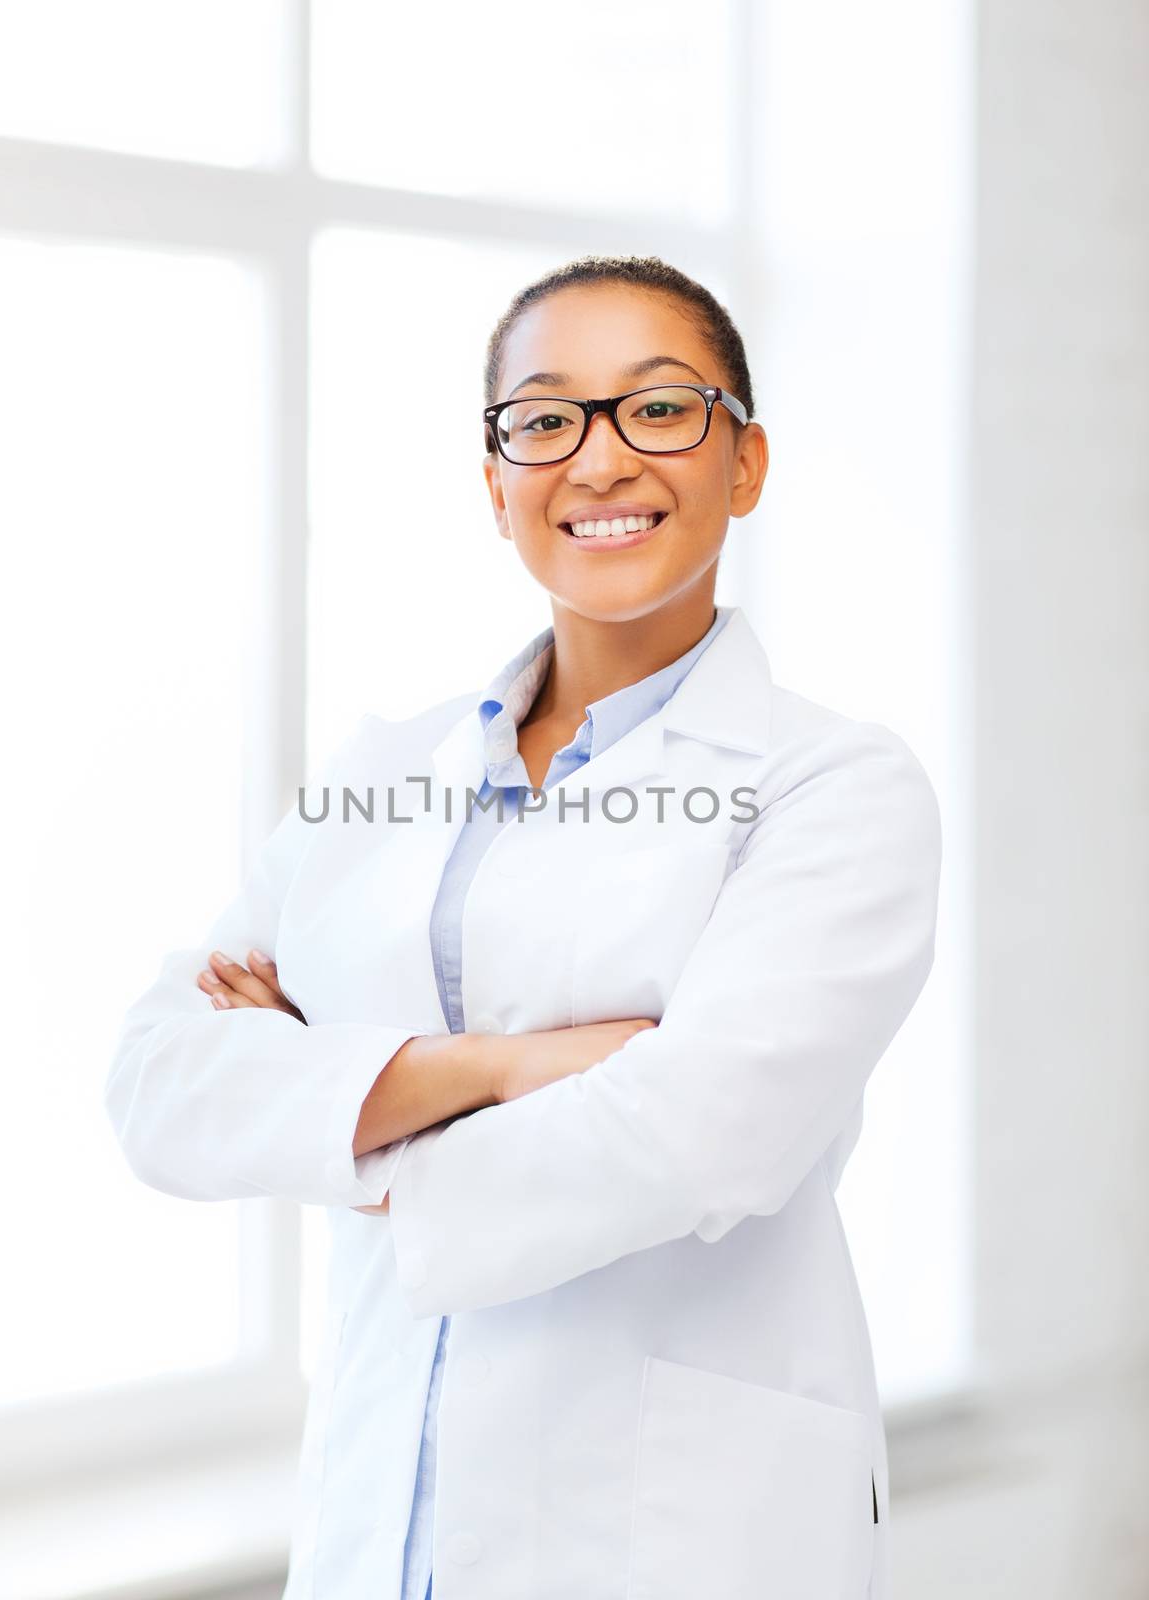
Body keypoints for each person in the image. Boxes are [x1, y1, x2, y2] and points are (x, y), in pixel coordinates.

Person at [104, 253, 942, 1600]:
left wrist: (332, 1111)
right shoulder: (390, 768)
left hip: (672, 1535)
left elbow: (701, 1131)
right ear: (498, 485)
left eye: (659, 408)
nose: (599, 460)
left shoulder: (831, 786)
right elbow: (157, 1080)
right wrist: (488, 1073)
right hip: (387, 1519)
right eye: (546, 421)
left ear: (747, 462)